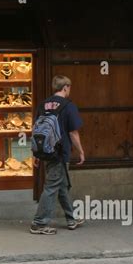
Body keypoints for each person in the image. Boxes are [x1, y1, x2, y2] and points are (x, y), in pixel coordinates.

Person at [30, 75, 85, 235]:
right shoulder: (68, 106)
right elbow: (73, 133)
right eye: (69, 87)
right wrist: (81, 151)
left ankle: (71, 218)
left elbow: (36, 130)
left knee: (61, 185)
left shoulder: (42, 104)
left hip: (45, 151)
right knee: (52, 186)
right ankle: (39, 223)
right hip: (60, 152)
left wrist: (36, 154)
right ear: (66, 87)